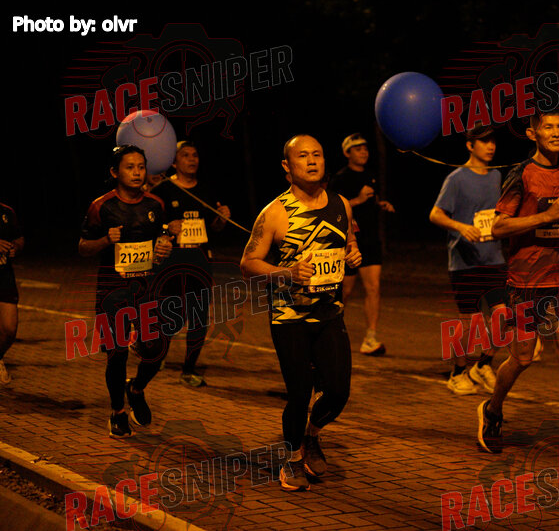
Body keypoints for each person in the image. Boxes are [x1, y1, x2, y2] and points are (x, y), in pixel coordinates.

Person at [476, 112, 559, 466]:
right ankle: (492, 409)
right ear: (531, 133)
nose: (556, 132)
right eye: (548, 127)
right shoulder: (521, 174)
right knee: (522, 357)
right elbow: (499, 227)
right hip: (525, 282)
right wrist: (544, 218)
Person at [241, 134, 361, 492]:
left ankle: (312, 434)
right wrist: (287, 273)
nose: (312, 161)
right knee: (299, 393)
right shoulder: (274, 213)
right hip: (289, 317)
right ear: (286, 166)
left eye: (317, 155)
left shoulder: (341, 204)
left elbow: (349, 244)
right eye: (303, 156)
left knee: (338, 391)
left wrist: (353, 256)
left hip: (330, 314)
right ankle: (292, 458)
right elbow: (248, 263)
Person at [79, 145, 173, 438]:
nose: (137, 172)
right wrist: (106, 240)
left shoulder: (155, 204)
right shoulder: (101, 206)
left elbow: (162, 239)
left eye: (141, 167)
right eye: (130, 167)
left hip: (146, 291)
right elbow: (82, 248)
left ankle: (136, 388)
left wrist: (164, 246)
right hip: (112, 292)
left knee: (156, 351)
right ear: (114, 172)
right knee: (117, 353)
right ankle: (118, 411)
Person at [429, 125, 507, 395]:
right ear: (470, 146)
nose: (491, 146)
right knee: (470, 324)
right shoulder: (456, 179)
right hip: (465, 261)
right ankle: (458, 372)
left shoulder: (497, 175)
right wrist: (461, 227)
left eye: (492, 141)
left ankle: (483, 365)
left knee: (503, 316)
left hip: (494, 257)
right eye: (484, 141)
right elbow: (435, 214)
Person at [151, 141, 231, 387]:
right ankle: (156, 354)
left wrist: (222, 219)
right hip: (171, 262)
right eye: (185, 155)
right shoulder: (163, 190)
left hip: (199, 261)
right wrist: (167, 228)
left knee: (199, 316)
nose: (192, 159)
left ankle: (189, 370)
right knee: (170, 316)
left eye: (195, 155)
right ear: (174, 162)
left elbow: (214, 227)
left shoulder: (205, 190)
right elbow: (149, 225)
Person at [327, 133, 394, 355]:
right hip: (348, 242)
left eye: (365, 148)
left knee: (374, 288)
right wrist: (358, 199)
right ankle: (331, 330)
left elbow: (371, 201)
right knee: (345, 290)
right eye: (358, 149)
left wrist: (380, 204)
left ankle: (370, 337)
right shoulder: (339, 179)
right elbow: (333, 210)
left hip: (370, 240)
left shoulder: (370, 175)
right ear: (347, 153)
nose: (364, 152)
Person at [0, 203, 24, 385]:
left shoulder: (7, 211)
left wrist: (16, 246)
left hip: (3, 276)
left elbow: (19, 238)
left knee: (9, 329)